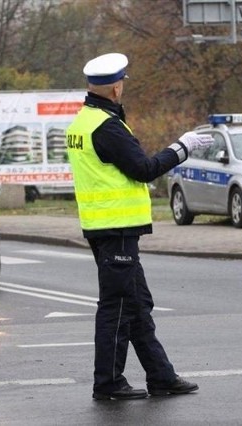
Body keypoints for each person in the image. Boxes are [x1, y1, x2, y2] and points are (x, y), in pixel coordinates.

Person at [65, 52, 214, 401]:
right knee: (117, 307)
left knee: (137, 303)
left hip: (105, 227)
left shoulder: (82, 123)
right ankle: (109, 382)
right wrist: (182, 148)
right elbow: (144, 168)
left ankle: (161, 376)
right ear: (117, 88)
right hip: (116, 228)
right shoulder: (107, 127)